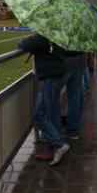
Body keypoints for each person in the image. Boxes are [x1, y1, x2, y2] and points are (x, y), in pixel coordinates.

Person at [18, 34, 70, 166]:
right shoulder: (57, 35)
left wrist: (33, 44)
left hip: (50, 80)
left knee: (48, 115)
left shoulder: (42, 36)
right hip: (53, 79)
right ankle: (53, 149)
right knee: (39, 114)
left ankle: (59, 145)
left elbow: (23, 44)